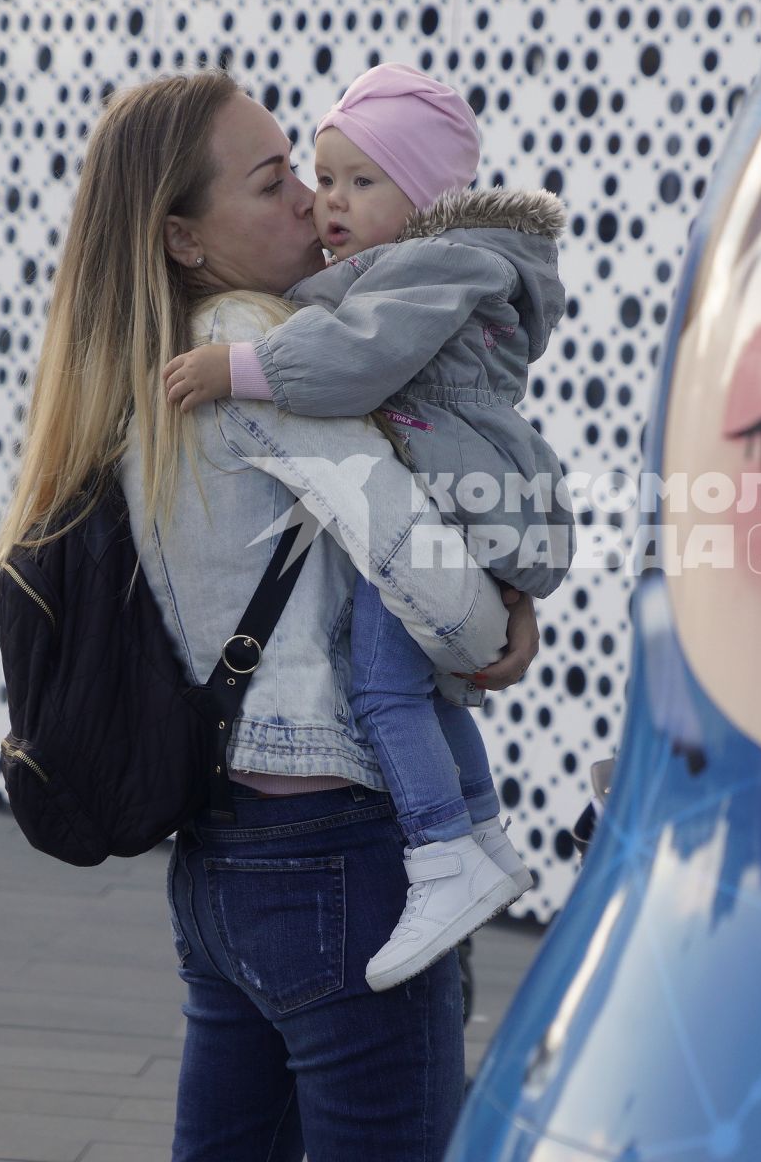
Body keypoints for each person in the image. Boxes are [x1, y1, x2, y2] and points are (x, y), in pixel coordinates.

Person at [0, 68, 539, 1161]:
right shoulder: (262, 359)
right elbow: (434, 590)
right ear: (185, 238)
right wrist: (505, 617)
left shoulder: (153, 367)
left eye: (306, 167)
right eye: (272, 178)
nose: (308, 197)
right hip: (338, 850)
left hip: (221, 863)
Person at [161, 63, 574, 991]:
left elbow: (355, 360)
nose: (324, 205)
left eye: (356, 182)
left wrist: (239, 369)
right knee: (418, 690)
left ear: (425, 198)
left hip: (452, 499)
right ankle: (473, 830)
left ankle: (446, 848)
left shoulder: (424, 270)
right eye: (312, 177)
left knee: (390, 692)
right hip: (459, 499)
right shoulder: (420, 267)